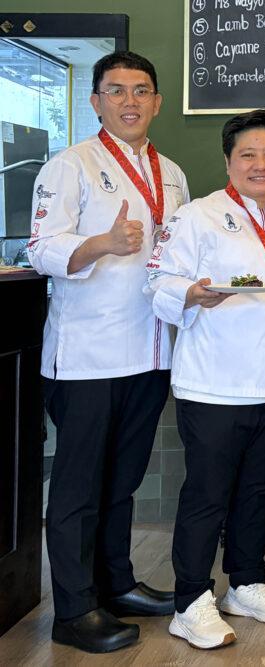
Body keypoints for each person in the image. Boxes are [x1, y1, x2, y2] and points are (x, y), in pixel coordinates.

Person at [27, 51, 188, 654]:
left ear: (157, 102)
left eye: (141, 90)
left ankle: (116, 585)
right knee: (78, 488)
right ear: (95, 101)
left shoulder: (172, 173)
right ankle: (73, 610)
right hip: (87, 357)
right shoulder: (70, 165)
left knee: (122, 480)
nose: (129, 101)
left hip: (151, 351)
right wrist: (102, 243)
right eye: (115, 90)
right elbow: (39, 248)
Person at [145, 109, 265, 649]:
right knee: (207, 494)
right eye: (248, 154)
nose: (260, 164)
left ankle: (246, 581)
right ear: (228, 161)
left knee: (258, 490)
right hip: (214, 383)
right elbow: (158, 280)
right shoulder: (196, 216)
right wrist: (192, 293)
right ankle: (190, 600)